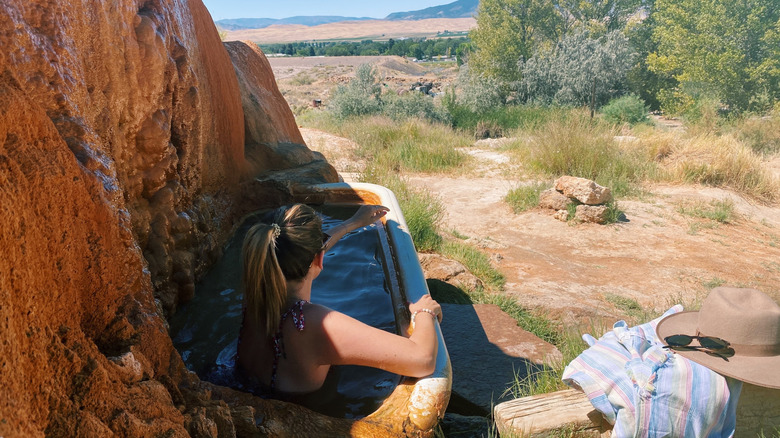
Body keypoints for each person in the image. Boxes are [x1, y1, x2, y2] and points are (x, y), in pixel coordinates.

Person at [236, 203, 442, 396]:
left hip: (242, 387)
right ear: (319, 259)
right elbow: (423, 359)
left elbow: (308, 249)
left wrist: (350, 224)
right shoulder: (312, 324)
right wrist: (423, 311)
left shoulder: (254, 291)